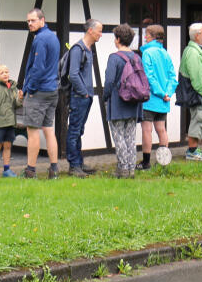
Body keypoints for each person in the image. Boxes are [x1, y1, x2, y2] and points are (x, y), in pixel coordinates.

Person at [21, 8, 61, 179]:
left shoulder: (41, 39)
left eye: (33, 20)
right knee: (49, 130)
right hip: (52, 90)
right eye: (28, 21)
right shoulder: (53, 37)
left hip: (39, 91)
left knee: (32, 131)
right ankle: (54, 169)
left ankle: (30, 170)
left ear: (42, 20)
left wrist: (28, 89)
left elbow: (38, 68)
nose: (30, 24)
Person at [103, 23, 145, 178]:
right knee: (131, 137)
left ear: (118, 39)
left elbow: (108, 82)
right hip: (134, 103)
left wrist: (105, 97)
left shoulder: (114, 58)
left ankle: (123, 169)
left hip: (118, 102)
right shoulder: (137, 57)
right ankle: (131, 169)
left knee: (118, 136)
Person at [64, 19, 103, 177]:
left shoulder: (88, 49)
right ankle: (74, 166)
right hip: (79, 96)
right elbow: (73, 74)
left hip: (85, 96)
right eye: (99, 31)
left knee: (79, 130)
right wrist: (84, 92)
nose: (100, 34)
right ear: (90, 31)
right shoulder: (78, 49)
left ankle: (79, 163)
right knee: (74, 130)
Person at [138, 24, 176, 170]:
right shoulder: (165, 53)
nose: (145, 37)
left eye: (146, 35)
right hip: (163, 100)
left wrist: (160, 92)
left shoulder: (147, 53)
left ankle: (146, 162)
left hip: (150, 99)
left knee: (147, 130)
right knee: (161, 129)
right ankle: (163, 162)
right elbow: (173, 76)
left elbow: (149, 76)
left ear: (152, 36)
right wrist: (168, 93)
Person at [180, 22, 202, 161]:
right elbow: (197, 78)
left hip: (198, 92)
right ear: (198, 35)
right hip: (198, 93)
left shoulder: (194, 49)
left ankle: (193, 149)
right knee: (198, 119)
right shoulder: (193, 52)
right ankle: (192, 152)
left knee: (198, 118)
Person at [0, 64, 22, 178]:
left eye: (6, 72)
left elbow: (16, 105)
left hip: (10, 122)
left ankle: (7, 169)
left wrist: (20, 98)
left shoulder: (13, 88)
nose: (5, 74)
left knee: (7, 146)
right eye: (2, 73)